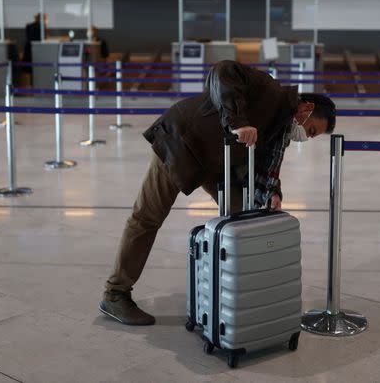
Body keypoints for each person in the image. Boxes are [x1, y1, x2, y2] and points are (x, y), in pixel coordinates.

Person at [99, 60, 337, 325]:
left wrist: (273, 191)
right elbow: (222, 71)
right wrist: (238, 121)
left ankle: (239, 293)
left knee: (242, 217)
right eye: (311, 129)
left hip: (214, 163)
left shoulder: (279, 130)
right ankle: (115, 294)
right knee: (147, 218)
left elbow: (266, 164)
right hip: (183, 143)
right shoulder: (270, 89)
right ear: (306, 107)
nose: (305, 136)